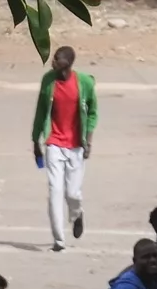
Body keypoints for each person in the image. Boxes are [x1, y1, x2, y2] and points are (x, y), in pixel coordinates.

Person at [30, 47, 91, 250]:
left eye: (57, 59)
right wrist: (35, 142)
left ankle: (76, 214)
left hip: (76, 146)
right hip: (54, 142)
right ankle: (59, 240)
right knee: (55, 189)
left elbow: (93, 113)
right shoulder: (48, 81)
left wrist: (88, 140)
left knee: (72, 193)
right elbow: (40, 112)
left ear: (68, 63)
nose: (53, 62)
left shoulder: (84, 83)